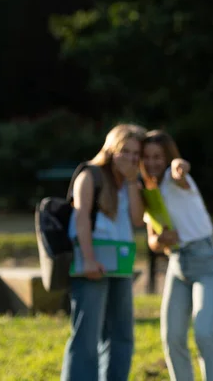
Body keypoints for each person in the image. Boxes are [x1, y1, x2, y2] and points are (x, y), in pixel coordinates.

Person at [140, 130, 213, 381]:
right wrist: (160, 240)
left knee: (204, 333)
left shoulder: (173, 177)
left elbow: (181, 169)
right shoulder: (150, 190)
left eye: (158, 156)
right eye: (146, 157)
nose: (151, 162)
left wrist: (179, 168)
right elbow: (152, 241)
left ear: (167, 157)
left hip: (207, 265)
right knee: (172, 337)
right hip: (177, 265)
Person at [61, 123, 147, 381]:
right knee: (87, 335)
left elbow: (137, 219)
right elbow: (81, 219)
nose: (131, 158)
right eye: (126, 151)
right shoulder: (90, 175)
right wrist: (88, 259)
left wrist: (132, 181)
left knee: (121, 334)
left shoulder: (129, 183)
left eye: (136, 154)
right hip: (91, 262)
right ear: (111, 149)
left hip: (120, 263)